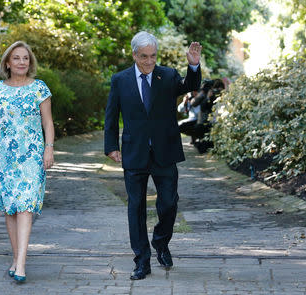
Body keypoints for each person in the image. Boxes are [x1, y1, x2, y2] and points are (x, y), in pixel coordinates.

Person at [104, 31, 201, 280]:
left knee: (169, 203)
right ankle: (142, 261)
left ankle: (161, 241)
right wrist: (111, 146)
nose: (149, 62)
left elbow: (190, 86)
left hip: (165, 151)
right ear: (135, 55)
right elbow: (111, 115)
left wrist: (193, 66)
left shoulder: (167, 75)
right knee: (135, 207)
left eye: (153, 56)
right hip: (134, 152)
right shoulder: (120, 80)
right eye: (144, 57)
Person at [0, 41, 55, 283]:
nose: (22, 62)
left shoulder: (39, 88)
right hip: (4, 157)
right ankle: (16, 257)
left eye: (25, 58)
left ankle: (21, 263)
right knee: (10, 209)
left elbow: (48, 122)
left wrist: (49, 149)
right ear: (7, 63)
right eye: (17, 58)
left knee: (26, 206)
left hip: (31, 155)